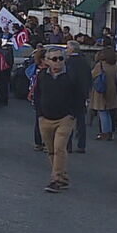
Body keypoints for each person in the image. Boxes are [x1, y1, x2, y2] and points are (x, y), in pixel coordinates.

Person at [33, 47, 84, 193]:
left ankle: (55, 180)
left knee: (59, 148)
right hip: (45, 119)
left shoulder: (71, 76)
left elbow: (80, 96)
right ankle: (62, 177)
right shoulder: (42, 75)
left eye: (60, 58)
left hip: (64, 118)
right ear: (47, 61)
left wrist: (72, 114)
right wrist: (40, 114)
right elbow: (37, 94)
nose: (58, 62)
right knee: (50, 151)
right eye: (54, 59)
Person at [65, 41, 92, 153]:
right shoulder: (85, 62)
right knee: (81, 121)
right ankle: (82, 145)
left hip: (71, 95)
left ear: (72, 50)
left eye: (67, 48)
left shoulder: (69, 62)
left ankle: (68, 145)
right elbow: (89, 78)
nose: (66, 50)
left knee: (69, 121)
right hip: (82, 95)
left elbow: (69, 79)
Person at [90, 47, 117, 141]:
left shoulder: (100, 65)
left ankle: (105, 133)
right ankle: (110, 132)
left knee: (102, 112)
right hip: (112, 90)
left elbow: (92, 75)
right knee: (109, 112)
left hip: (101, 91)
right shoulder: (115, 65)